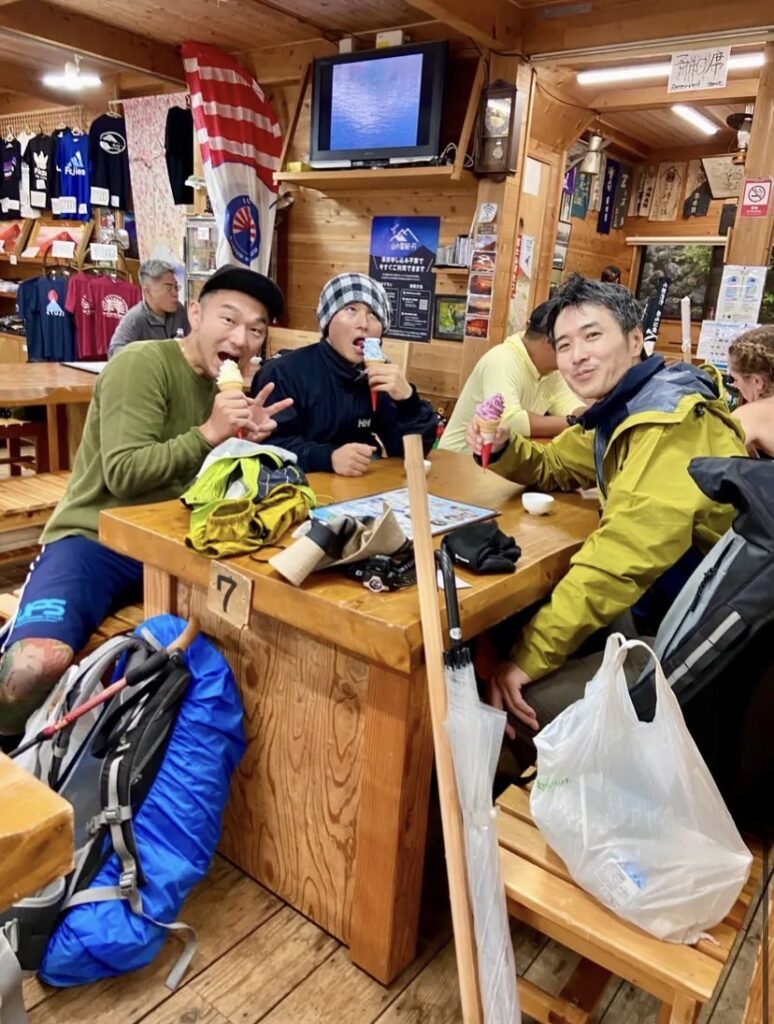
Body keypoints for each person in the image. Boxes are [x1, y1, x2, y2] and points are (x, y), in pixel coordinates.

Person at [0, 266, 291, 750]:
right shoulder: (142, 364)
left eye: (256, 329)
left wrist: (243, 443)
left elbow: (204, 484)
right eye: (229, 319)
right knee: (29, 670)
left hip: (178, 545)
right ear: (194, 314)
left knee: (254, 642)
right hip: (94, 540)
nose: (241, 339)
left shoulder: (228, 392)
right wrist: (210, 434)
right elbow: (124, 474)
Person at [465, 274, 747, 744]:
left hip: (707, 633)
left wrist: (528, 657)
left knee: (525, 699)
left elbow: (620, 558)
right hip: (662, 602)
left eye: (592, 335)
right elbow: (555, 465)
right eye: (564, 345)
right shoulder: (620, 411)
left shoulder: (669, 420)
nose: (577, 355)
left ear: (635, 340)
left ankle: (538, 786)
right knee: (513, 623)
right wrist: (504, 445)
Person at [252, 273, 437, 476]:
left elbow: (410, 451)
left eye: (374, 314)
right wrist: (328, 458)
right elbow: (268, 449)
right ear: (327, 321)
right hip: (298, 488)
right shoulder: (282, 373)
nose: (364, 324)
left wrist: (408, 401)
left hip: (362, 486)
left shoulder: (379, 376)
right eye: (351, 309)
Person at [438, 301, 584, 453]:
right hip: (459, 458)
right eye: (568, 345)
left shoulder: (551, 371)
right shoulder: (502, 359)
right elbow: (509, 421)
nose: (576, 354)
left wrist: (585, 415)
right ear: (549, 342)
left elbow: (570, 405)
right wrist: (572, 422)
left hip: (499, 461)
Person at [107, 258, 190, 359]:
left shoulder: (179, 311)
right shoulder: (135, 318)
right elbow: (115, 352)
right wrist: (147, 355)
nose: (175, 293)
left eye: (176, 287)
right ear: (147, 291)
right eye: (168, 288)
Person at [728, 325, 774, 458]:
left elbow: (713, 460)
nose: (735, 385)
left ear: (757, 381)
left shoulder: (749, 415)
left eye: (735, 379)